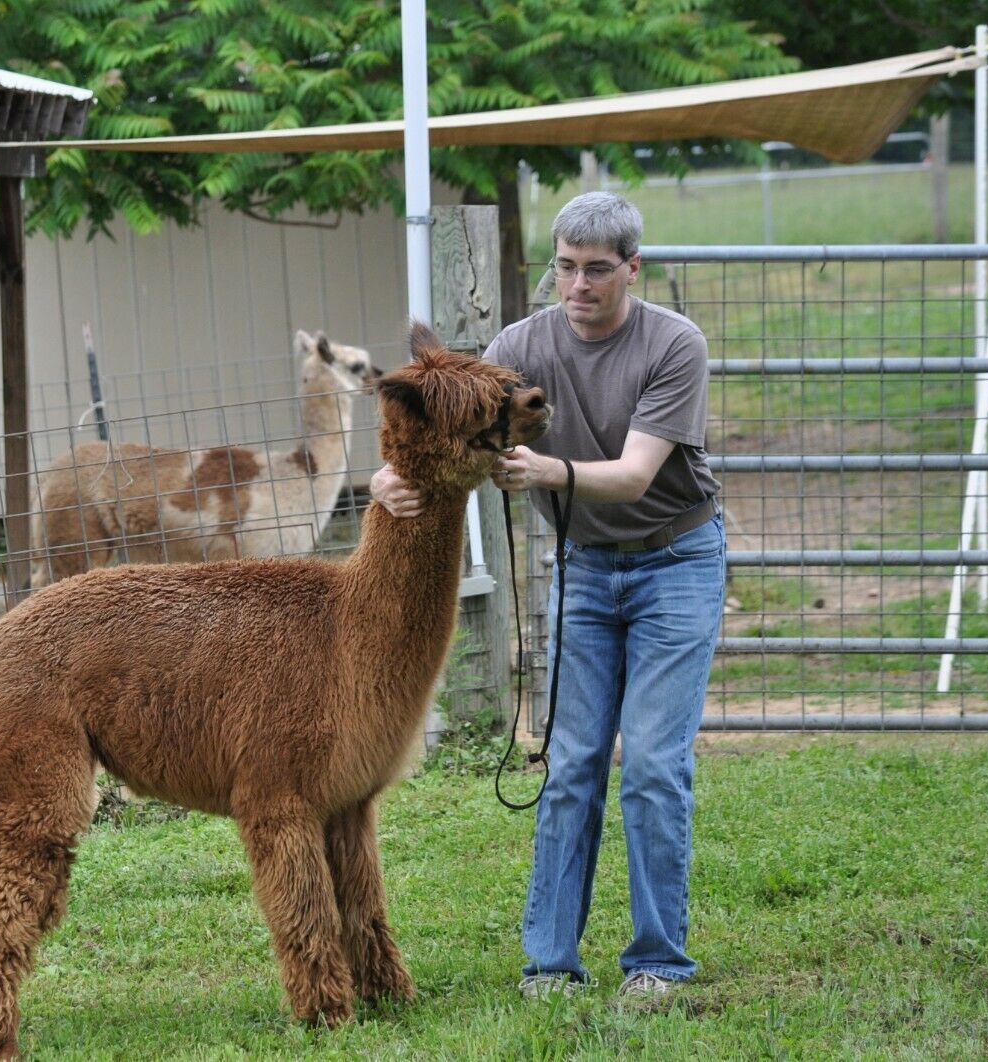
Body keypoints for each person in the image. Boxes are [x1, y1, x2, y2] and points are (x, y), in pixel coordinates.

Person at [370, 191, 725, 998]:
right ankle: (550, 962)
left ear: (632, 268)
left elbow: (635, 476)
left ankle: (658, 962)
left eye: (598, 270)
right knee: (570, 763)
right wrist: (382, 479)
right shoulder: (518, 346)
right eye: (565, 268)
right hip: (586, 569)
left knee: (655, 767)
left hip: (675, 561)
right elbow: (442, 423)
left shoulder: (674, 345)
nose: (579, 286)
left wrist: (552, 471)